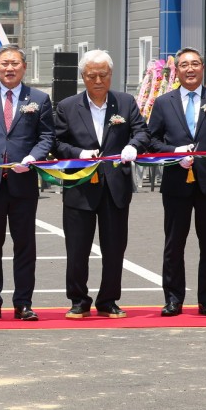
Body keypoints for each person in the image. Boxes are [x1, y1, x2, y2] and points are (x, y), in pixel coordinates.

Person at [54, 49, 148, 319]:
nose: (98, 80)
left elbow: (142, 131)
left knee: (115, 247)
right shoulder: (68, 106)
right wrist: (78, 154)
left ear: (111, 75)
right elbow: (57, 143)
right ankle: (78, 299)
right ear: (83, 76)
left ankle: (108, 300)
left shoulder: (125, 102)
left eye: (103, 75)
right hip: (80, 186)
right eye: (92, 75)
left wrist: (133, 145)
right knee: (77, 247)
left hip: (115, 186)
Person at [147, 47, 206, 317]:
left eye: (195, 64)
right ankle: (173, 299)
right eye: (184, 64)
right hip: (176, 181)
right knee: (174, 242)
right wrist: (173, 153)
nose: (190, 69)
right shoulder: (164, 102)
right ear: (177, 70)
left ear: (202, 68)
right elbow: (152, 140)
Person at [0, 44, 54, 321]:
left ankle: (23, 302)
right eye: (4, 63)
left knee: (25, 245)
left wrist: (33, 156)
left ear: (24, 67)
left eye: (15, 63)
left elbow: (47, 137)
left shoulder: (39, 99)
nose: (9, 68)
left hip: (23, 183)